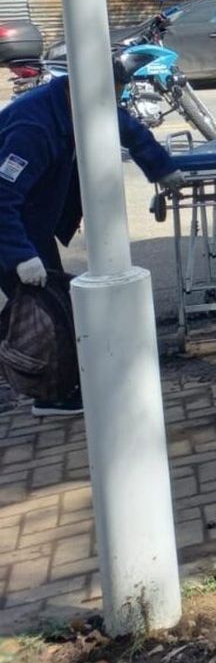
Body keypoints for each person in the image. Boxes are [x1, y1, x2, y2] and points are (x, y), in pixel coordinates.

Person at [0, 67, 180, 416]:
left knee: (50, 300)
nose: (108, 106)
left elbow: (131, 130)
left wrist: (163, 169)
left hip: (29, 222)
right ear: (77, 88)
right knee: (42, 311)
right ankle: (49, 392)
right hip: (11, 224)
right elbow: (2, 197)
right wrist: (20, 256)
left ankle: (57, 382)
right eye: (104, 97)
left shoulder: (84, 104)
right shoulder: (34, 128)